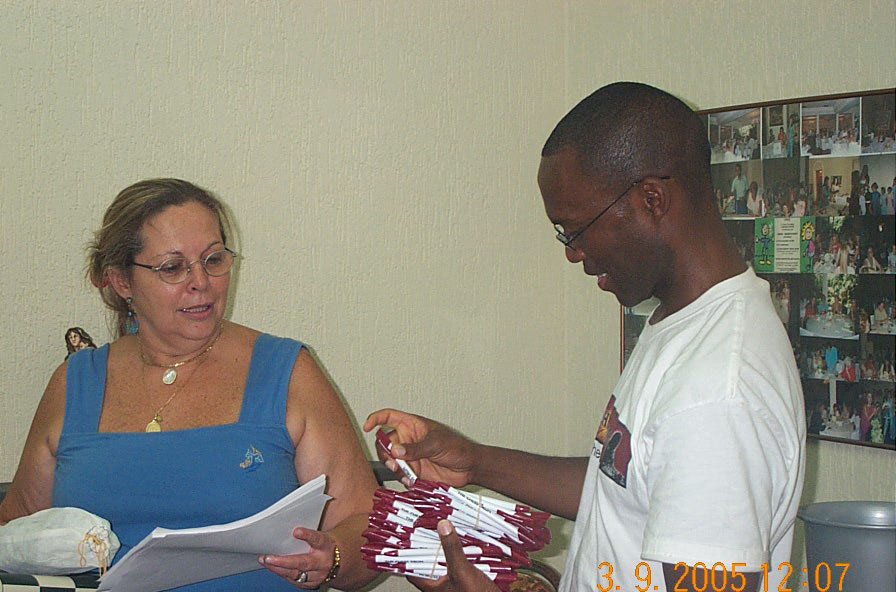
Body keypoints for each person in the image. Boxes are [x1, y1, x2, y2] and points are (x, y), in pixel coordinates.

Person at [365, 82, 806, 592]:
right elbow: (624, 483)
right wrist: (477, 461)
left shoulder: (716, 392)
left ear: (652, 199)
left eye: (573, 230)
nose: (572, 253)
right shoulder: (684, 322)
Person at [0, 179, 378, 591]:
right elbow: (16, 528)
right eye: (173, 267)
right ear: (122, 282)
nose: (201, 281)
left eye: (214, 260)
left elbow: (367, 526)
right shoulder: (76, 382)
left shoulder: (287, 371)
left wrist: (333, 556)